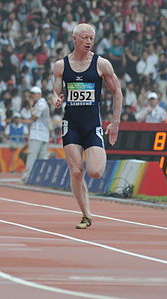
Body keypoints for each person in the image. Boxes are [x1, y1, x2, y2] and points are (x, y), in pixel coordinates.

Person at [53, 23, 122, 230]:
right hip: (71, 124)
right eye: (84, 37)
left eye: (92, 38)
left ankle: (97, 152)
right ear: (74, 39)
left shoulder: (102, 65)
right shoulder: (61, 65)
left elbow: (117, 91)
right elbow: (55, 91)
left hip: (93, 125)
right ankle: (86, 214)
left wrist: (116, 121)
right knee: (76, 171)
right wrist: (56, 99)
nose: (89, 41)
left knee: (94, 172)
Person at [21, 86, 51, 183]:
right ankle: (43, 178)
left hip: (37, 135)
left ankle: (27, 177)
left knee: (32, 156)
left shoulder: (41, 104)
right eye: (31, 94)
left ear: (39, 94)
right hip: (43, 134)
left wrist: (30, 106)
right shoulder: (40, 103)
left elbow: (34, 118)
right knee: (42, 157)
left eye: (34, 94)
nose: (32, 96)